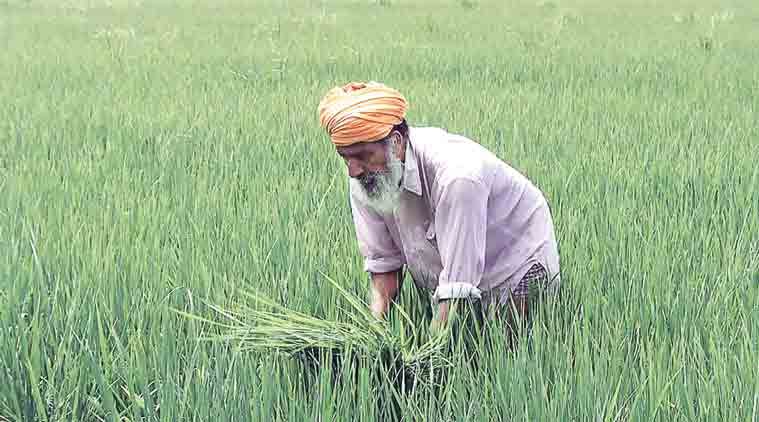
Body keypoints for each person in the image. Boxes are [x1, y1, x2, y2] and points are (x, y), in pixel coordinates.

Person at [317, 81, 561, 344]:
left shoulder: (458, 177)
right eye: (345, 158)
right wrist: (370, 339)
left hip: (516, 262)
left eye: (362, 156)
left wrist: (424, 364)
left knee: (506, 349)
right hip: (453, 262)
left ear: (396, 143)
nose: (353, 170)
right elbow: (384, 267)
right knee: (467, 341)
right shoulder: (365, 178)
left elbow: (457, 288)